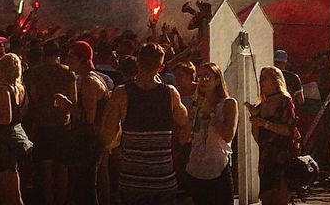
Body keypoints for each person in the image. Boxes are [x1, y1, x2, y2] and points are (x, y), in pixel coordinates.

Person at [105, 43, 189, 205]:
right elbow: (184, 121)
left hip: (132, 177)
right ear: (161, 67)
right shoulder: (170, 93)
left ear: (137, 63)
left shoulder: (121, 93)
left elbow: (108, 134)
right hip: (162, 177)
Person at [58, 42, 109, 205]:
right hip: (88, 140)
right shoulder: (88, 78)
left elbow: (88, 118)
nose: (67, 59)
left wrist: (67, 105)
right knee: (82, 186)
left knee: (86, 187)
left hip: (89, 141)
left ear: (82, 59)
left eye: (71, 56)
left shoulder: (89, 82)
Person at [182, 65, 235, 205]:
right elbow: (183, 138)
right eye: (199, 78)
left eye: (206, 77)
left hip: (218, 167)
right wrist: (189, 119)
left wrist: (211, 113)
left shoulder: (228, 104)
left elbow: (228, 136)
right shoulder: (195, 104)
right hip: (195, 168)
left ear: (217, 81)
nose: (202, 81)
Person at [30, 41, 76, 205]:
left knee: (46, 168)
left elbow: (34, 98)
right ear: (58, 54)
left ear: (43, 53)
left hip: (43, 124)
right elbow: (74, 101)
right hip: (63, 124)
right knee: (62, 167)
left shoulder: (36, 72)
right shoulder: (68, 72)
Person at [248, 67, 297, 205]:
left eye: (265, 78)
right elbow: (257, 138)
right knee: (266, 197)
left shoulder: (285, 101)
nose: (261, 82)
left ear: (275, 81)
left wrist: (265, 123)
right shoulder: (262, 104)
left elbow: (289, 129)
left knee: (280, 196)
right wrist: (255, 119)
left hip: (282, 155)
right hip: (266, 157)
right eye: (261, 78)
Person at [0, 55, 31, 205]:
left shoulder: (4, 90)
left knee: (10, 188)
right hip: (16, 136)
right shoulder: (21, 88)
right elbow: (22, 112)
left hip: (3, 140)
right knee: (9, 188)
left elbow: (6, 118)